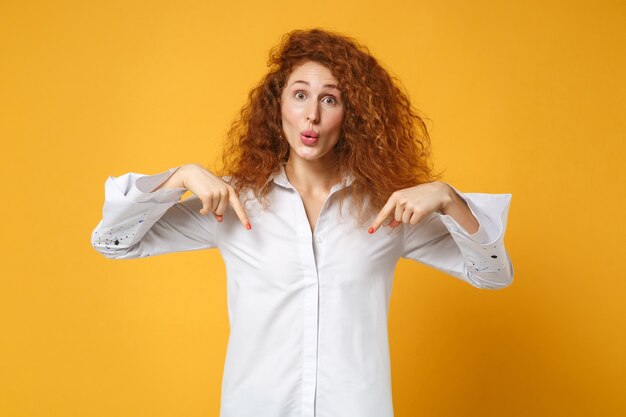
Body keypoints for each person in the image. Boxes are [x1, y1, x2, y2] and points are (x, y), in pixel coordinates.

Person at [91, 28, 513, 417]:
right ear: (278, 107)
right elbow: (113, 242)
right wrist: (178, 177)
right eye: (299, 95)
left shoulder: (389, 211)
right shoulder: (234, 203)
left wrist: (449, 199)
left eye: (330, 99)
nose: (312, 114)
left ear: (353, 116)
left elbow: (493, 275)